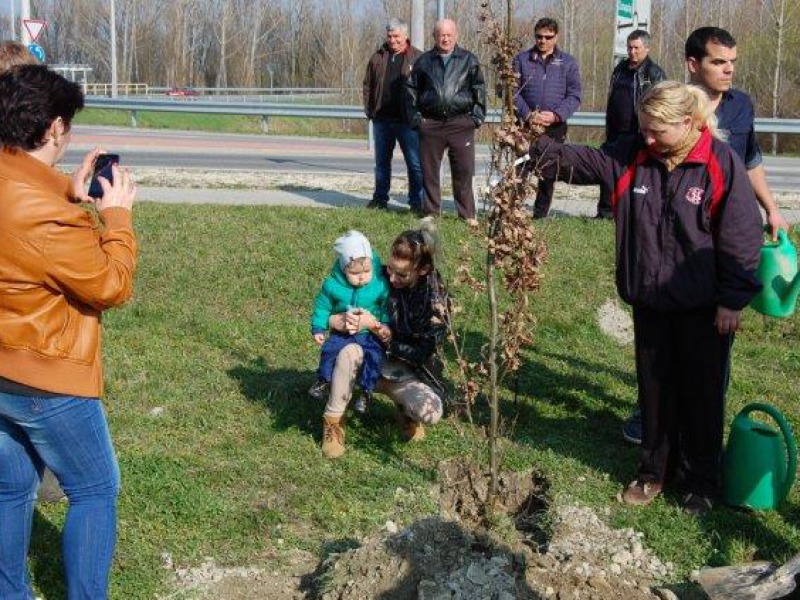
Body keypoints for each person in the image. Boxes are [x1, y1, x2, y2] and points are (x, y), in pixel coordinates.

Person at [527, 81, 763, 515]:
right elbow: (580, 161)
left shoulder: (719, 162)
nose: (649, 139)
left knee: (702, 395)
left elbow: (742, 237)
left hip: (705, 308)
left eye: (658, 131)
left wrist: (732, 299)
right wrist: (531, 142)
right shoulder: (632, 154)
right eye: (645, 129)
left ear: (688, 124)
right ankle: (655, 471)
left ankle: (701, 481)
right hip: (650, 301)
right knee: (654, 392)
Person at [0, 65, 138, 598]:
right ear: (55, 128)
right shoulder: (45, 216)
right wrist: (118, 217)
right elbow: (109, 285)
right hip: (47, 378)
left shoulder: (27, 192)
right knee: (95, 489)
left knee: (11, 489)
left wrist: (68, 190)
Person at [620, 26, 790, 445]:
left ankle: (703, 420)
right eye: (718, 62)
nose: (728, 70)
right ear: (693, 64)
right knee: (661, 342)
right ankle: (652, 415)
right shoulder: (662, 105)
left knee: (711, 348)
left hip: (718, 238)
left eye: (732, 62)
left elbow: (749, 161)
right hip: (669, 234)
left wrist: (769, 207)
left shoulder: (740, 107)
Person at [317, 218, 448, 458]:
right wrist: (332, 321)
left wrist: (378, 329)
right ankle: (333, 422)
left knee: (431, 412)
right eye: (389, 268)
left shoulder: (436, 304)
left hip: (406, 372)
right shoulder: (374, 274)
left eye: (402, 274)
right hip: (365, 360)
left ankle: (406, 410)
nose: (392, 278)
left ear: (423, 270)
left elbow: (421, 353)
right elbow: (337, 288)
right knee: (348, 352)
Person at [407, 19, 486, 225]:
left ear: (456, 35)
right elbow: (411, 91)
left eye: (449, 34)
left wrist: (476, 118)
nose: (445, 38)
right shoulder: (423, 61)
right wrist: (417, 120)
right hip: (431, 124)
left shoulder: (469, 60)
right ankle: (432, 212)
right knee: (430, 171)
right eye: (441, 34)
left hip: (461, 123)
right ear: (434, 36)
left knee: (464, 170)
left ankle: (467, 214)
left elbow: (479, 89)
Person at [309, 230, 391, 414]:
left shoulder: (379, 284)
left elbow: (385, 305)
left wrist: (383, 324)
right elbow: (323, 306)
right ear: (344, 268)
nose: (362, 277)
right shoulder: (333, 285)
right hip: (343, 332)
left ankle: (366, 391)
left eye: (366, 271)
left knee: (374, 356)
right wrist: (319, 327)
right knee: (330, 351)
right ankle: (324, 381)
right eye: (354, 273)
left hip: (369, 334)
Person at [513, 17, 582, 219]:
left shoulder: (568, 63)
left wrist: (556, 115)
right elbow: (512, 92)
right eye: (539, 37)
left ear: (556, 37)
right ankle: (514, 211)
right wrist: (527, 114)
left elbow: (575, 94)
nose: (542, 41)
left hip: (554, 128)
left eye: (548, 37)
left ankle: (540, 214)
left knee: (547, 172)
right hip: (525, 127)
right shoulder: (521, 60)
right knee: (520, 169)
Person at [597, 30, 666, 219]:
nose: (632, 51)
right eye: (629, 47)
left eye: (636, 48)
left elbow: (660, 105)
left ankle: (633, 214)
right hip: (615, 131)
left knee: (637, 177)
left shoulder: (655, 73)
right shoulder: (619, 69)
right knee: (608, 170)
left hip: (637, 132)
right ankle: (605, 212)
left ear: (647, 48)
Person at [363, 19, 424, 214]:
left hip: (408, 121)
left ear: (405, 36)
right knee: (382, 164)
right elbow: (367, 86)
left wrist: (419, 115)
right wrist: (370, 111)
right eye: (389, 36)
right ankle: (380, 199)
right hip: (382, 119)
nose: (392, 40)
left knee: (415, 164)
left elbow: (425, 89)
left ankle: (416, 202)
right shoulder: (377, 58)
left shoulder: (418, 58)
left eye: (396, 36)